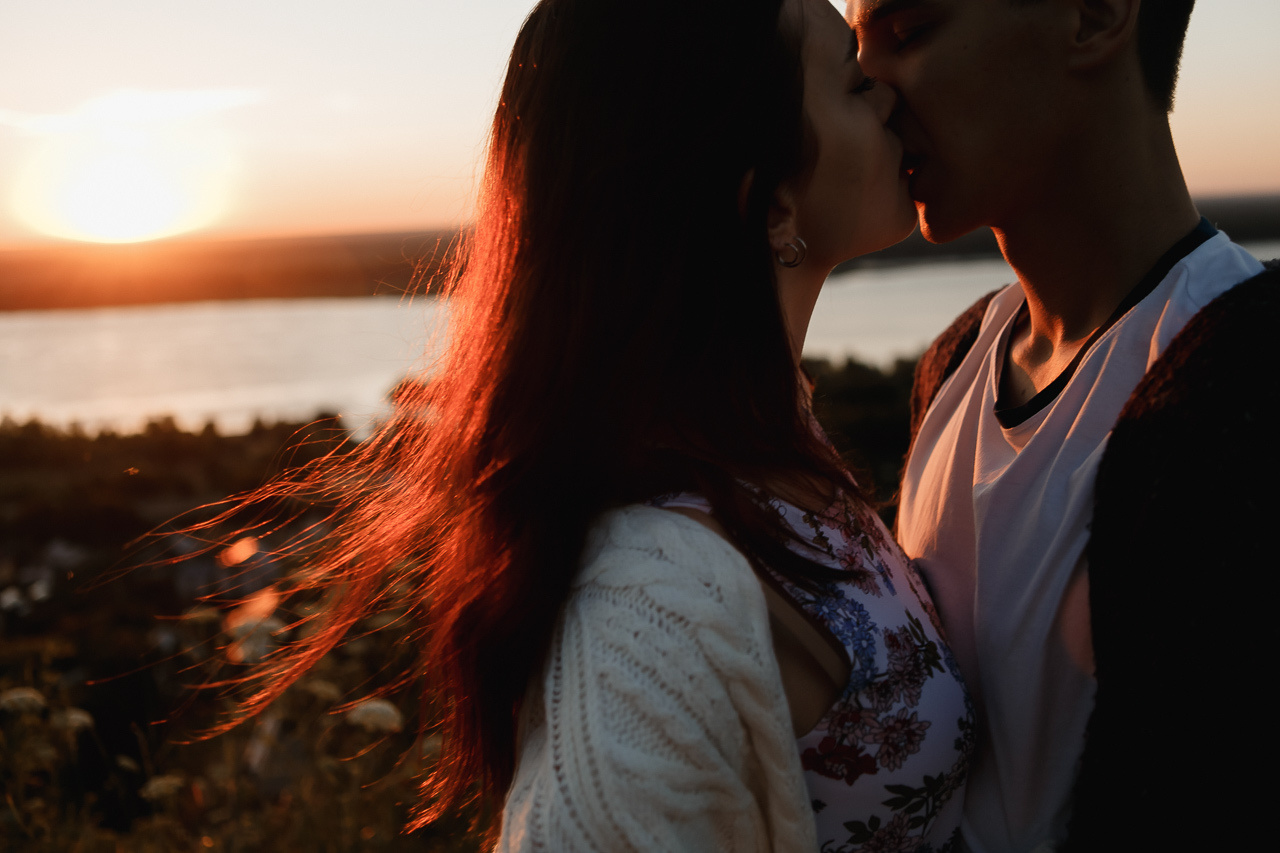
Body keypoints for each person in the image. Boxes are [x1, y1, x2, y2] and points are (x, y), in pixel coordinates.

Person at [223, 0, 972, 849]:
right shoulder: (647, 602)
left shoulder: (768, 446)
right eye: (850, 81)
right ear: (766, 204)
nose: (887, 91)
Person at [846, 0, 1279, 850]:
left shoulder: (1243, 389)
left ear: (1094, 14)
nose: (871, 91)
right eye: (858, 53)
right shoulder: (956, 361)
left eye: (911, 31)